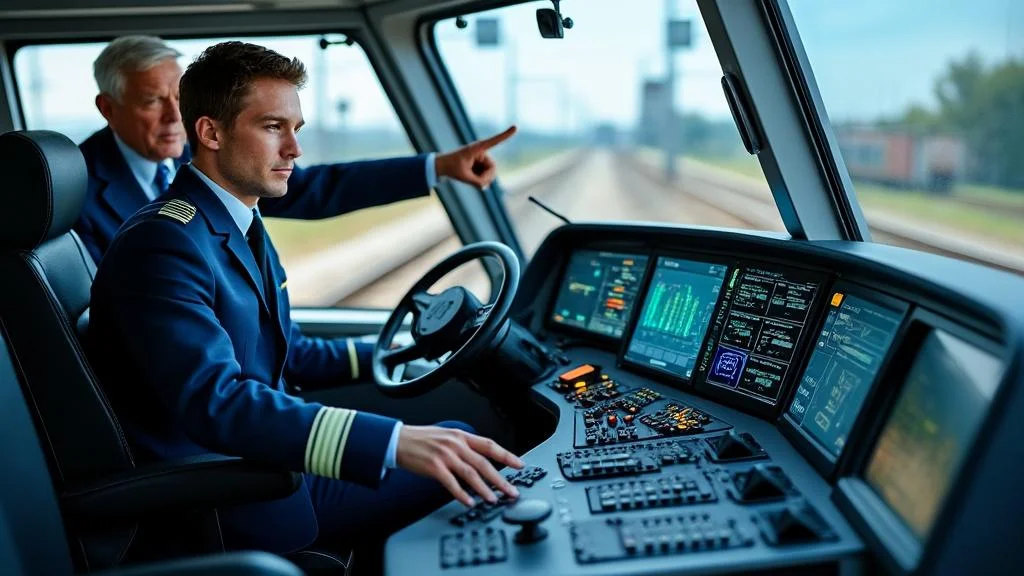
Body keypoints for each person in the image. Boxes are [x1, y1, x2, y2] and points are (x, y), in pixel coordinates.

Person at [86, 41, 523, 561]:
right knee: (463, 454)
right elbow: (216, 401)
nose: (294, 150)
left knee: (457, 440)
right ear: (211, 133)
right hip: (231, 488)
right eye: (274, 127)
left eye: (297, 130)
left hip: (266, 459)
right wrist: (388, 441)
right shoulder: (165, 241)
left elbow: (281, 349)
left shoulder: (235, 215)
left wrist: (398, 349)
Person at [75, 35, 515, 264]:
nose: (176, 116)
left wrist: (437, 167)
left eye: (179, 97)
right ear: (108, 109)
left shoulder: (202, 147)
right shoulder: (74, 194)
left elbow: (317, 188)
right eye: (154, 101)